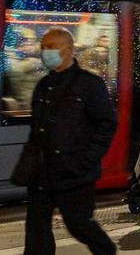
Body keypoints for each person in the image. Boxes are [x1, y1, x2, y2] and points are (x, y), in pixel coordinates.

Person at [23, 27, 118, 255]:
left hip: (74, 173)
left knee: (79, 225)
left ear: (69, 49)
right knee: (36, 231)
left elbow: (107, 125)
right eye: (43, 47)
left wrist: (85, 160)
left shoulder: (89, 84)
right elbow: (37, 129)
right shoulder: (43, 85)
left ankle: (106, 251)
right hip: (42, 173)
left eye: (51, 47)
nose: (45, 52)